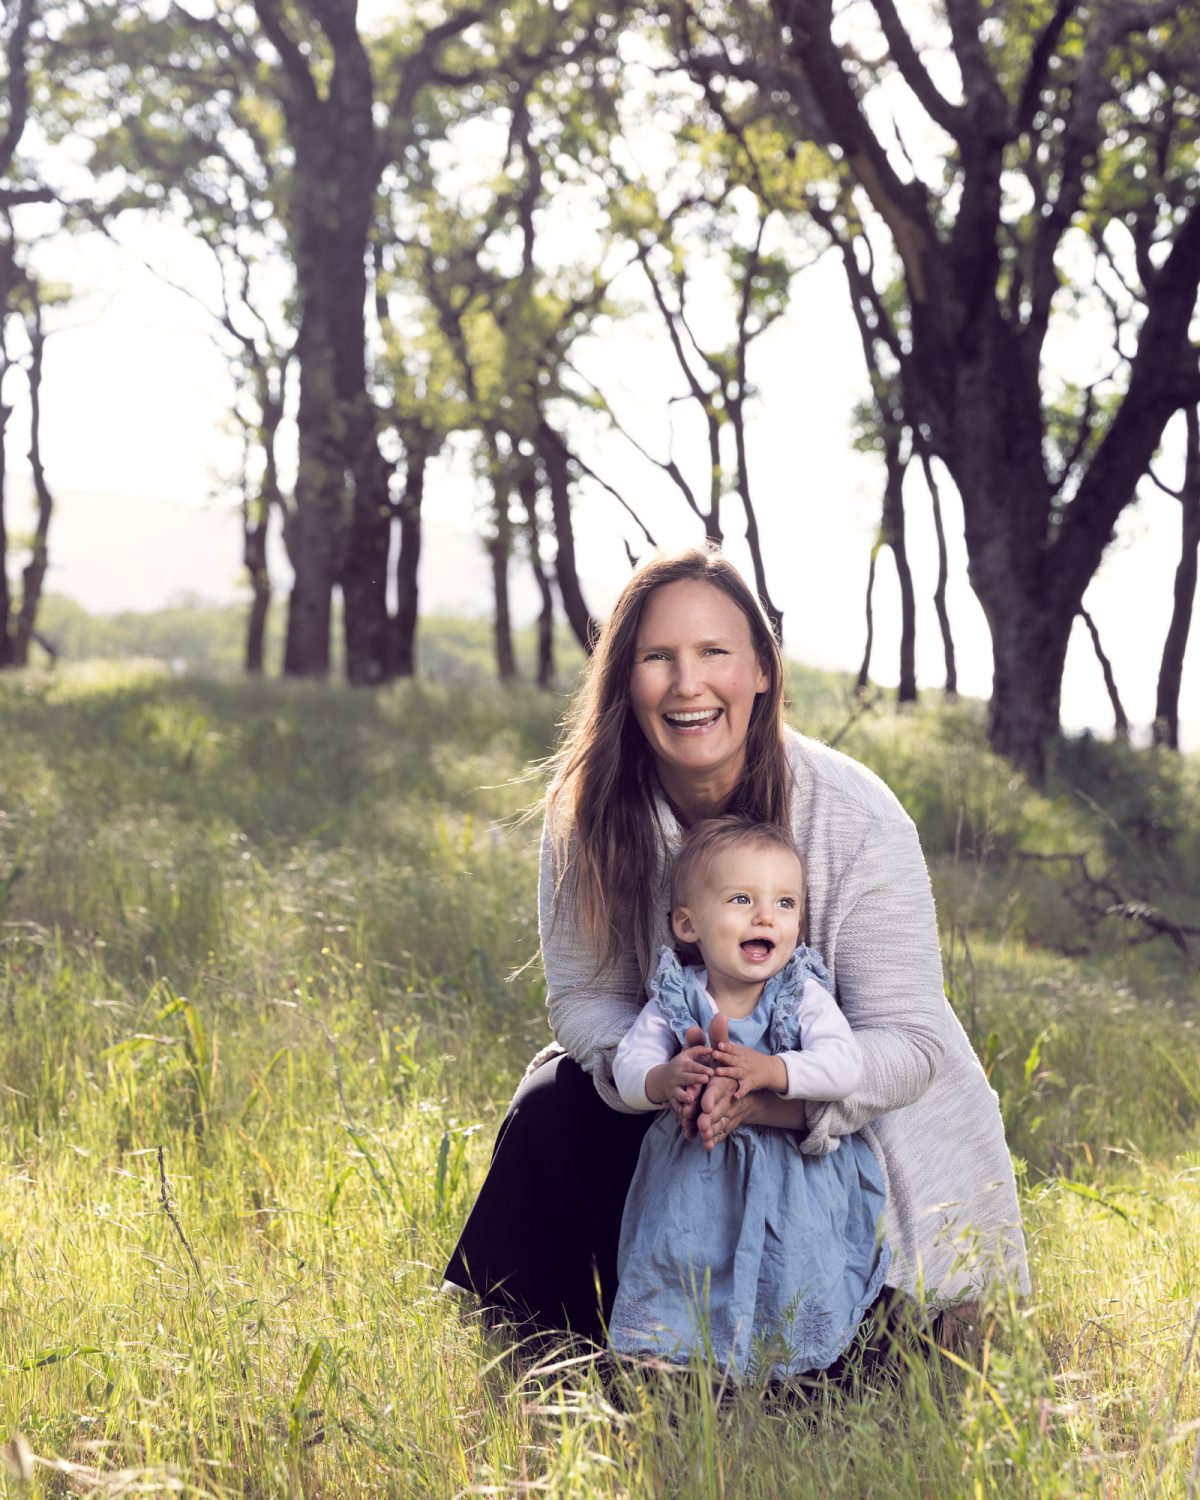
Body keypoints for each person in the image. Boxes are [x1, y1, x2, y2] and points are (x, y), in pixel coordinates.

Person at [443, 546, 1028, 1343]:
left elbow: (912, 1040)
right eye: (658, 657)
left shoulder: (857, 815)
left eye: (714, 652)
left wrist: (773, 1094)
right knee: (555, 1103)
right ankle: (568, 1342)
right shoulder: (588, 816)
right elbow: (583, 1000)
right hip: (680, 1107)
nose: (688, 685)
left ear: (761, 669)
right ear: (624, 679)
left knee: (858, 1365)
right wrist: (665, 1078)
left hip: (840, 1122)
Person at [608, 816, 890, 1379]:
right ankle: (673, 1369)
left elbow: (844, 1065)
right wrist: (665, 1080)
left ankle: (790, 1374)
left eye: (786, 904)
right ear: (688, 924)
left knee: (791, 1269)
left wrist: (771, 1070)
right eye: (742, 899)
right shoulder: (677, 995)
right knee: (684, 1259)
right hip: (695, 1170)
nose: (767, 916)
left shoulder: (800, 994)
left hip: (792, 1176)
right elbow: (628, 1065)